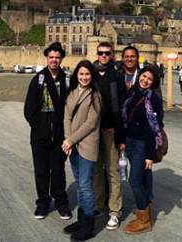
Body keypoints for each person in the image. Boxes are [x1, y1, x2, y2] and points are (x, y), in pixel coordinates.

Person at [24, 42, 71, 220]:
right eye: (51, 57)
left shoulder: (66, 79)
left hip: (59, 131)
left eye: (57, 57)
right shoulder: (38, 79)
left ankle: (61, 202)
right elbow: (29, 109)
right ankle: (43, 203)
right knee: (41, 170)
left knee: (58, 169)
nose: (54, 60)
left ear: (61, 59)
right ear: (47, 58)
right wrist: (39, 128)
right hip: (41, 132)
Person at [62, 60, 102, 242]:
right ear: (76, 75)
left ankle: (89, 226)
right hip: (73, 146)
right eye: (81, 74)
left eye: (87, 74)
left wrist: (71, 140)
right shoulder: (72, 93)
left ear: (91, 76)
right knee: (79, 184)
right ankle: (81, 220)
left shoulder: (95, 95)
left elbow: (90, 123)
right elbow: (67, 117)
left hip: (87, 145)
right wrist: (68, 140)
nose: (84, 77)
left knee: (86, 186)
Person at [122, 66, 164, 234]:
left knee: (134, 180)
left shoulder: (153, 99)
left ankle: (143, 219)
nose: (145, 80)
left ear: (153, 83)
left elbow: (151, 129)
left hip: (141, 144)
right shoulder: (134, 93)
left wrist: (149, 155)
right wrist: (123, 140)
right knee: (144, 176)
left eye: (149, 79)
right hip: (130, 141)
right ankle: (147, 206)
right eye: (143, 76)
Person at [93, 42, 126, 231]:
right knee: (96, 170)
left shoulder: (117, 77)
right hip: (93, 130)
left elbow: (122, 105)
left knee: (113, 171)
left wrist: (118, 128)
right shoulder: (91, 74)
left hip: (110, 130)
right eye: (101, 53)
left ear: (112, 55)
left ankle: (115, 211)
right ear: (97, 54)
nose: (104, 56)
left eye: (107, 53)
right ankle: (98, 205)